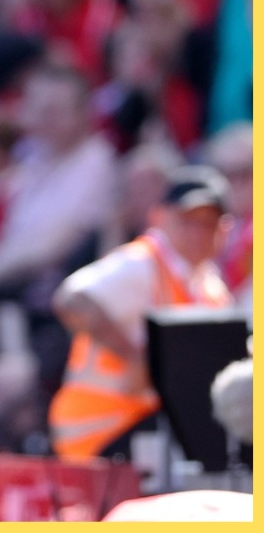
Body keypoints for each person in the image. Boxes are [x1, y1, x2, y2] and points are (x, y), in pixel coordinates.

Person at [48, 165, 234, 461]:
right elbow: (71, 300)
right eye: (188, 221)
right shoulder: (141, 264)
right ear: (161, 218)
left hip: (147, 431)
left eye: (208, 223)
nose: (198, 232)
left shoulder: (209, 284)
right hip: (103, 432)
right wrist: (138, 357)